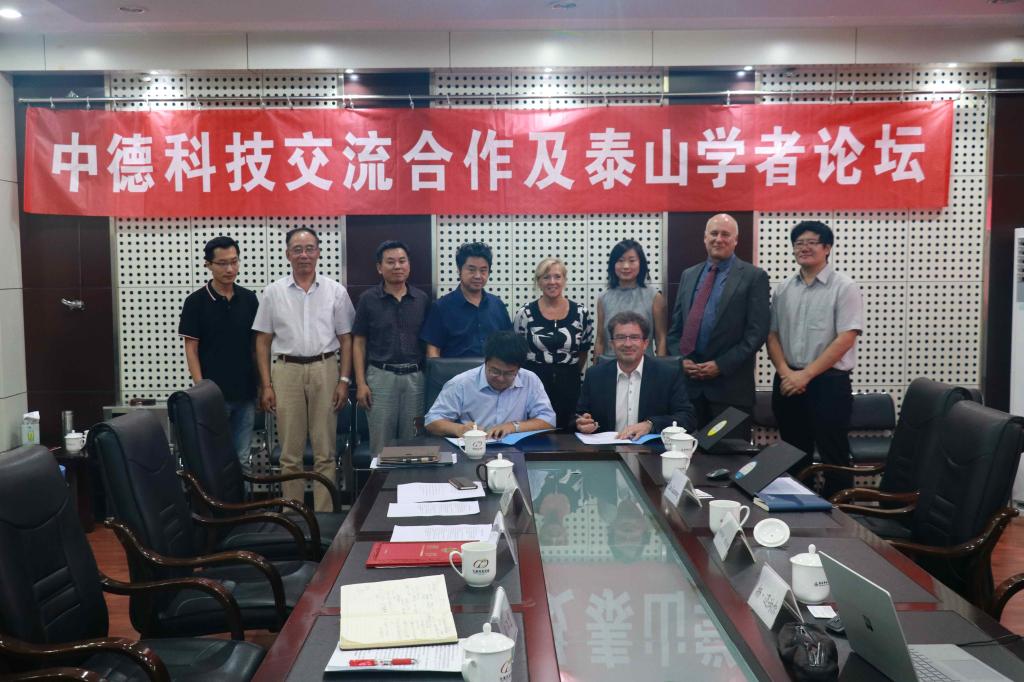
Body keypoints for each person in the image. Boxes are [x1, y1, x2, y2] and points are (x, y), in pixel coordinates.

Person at [253, 227, 355, 512]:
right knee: (290, 453)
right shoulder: (273, 292)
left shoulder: (335, 291)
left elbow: (347, 339)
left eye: (310, 248)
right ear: (288, 254)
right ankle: (293, 514)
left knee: (325, 451)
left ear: (318, 252)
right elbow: (262, 341)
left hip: (326, 369)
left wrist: (344, 380)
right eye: (297, 250)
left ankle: (324, 515)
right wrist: (266, 385)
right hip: (286, 372)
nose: (304, 255)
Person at [767, 220, 864, 498]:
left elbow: (846, 338)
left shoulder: (844, 287)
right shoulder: (783, 288)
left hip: (828, 383)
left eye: (811, 242)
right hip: (787, 381)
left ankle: (841, 514)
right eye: (799, 243)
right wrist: (786, 372)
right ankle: (797, 512)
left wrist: (805, 375)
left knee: (834, 455)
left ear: (827, 248)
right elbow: (772, 335)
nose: (804, 248)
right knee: (793, 454)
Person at [666, 214, 770, 432]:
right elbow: (676, 329)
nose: (719, 239)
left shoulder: (754, 277)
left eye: (725, 234)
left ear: (735, 240)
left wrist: (721, 365)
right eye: (714, 233)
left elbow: (757, 333)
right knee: (689, 452)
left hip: (730, 389)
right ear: (705, 238)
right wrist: (680, 360)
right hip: (689, 390)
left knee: (729, 452)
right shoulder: (688, 275)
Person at [178, 236, 260, 466]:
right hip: (213, 396)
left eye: (234, 261)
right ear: (208, 264)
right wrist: (201, 389)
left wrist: (262, 385)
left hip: (245, 393)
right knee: (214, 460)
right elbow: (191, 349)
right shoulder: (195, 302)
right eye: (223, 263)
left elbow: (256, 347)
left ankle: (242, 493)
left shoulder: (249, 299)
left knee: (242, 459)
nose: (230, 269)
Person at [352, 240, 430, 455]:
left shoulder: (422, 299)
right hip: (380, 378)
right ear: (379, 267)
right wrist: (361, 383)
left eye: (402, 261)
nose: (397, 266)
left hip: (415, 379)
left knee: (414, 444)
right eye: (390, 262)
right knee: (381, 445)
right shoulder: (368, 299)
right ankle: (381, 479)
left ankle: (410, 479)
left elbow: (429, 344)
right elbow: (358, 342)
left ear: (409, 265)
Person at [576, 311, 697, 439]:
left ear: (645, 344)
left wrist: (650, 425)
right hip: (606, 448)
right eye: (621, 337)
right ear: (612, 344)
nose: (627, 344)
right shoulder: (595, 375)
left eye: (634, 337)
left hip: (651, 450)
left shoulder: (668, 375)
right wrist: (582, 423)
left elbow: (688, 418)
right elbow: (578, 416)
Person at [424, 331, 556, 439]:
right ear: (486, 362)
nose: (501, 379)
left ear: (518, 368)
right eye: (495, 371)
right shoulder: (461, 383)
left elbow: (548, 420)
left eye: (509, 373)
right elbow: (431, 421)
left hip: (517, 451)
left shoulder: (530, 380)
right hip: (472, 450)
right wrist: (459, 429)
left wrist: (513, 427)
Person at [512, 257, 594, 429]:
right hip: (534, 383)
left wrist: (566, 371)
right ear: (538, 282)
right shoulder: (525, 314)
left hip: (569, 383)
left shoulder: (581, 313)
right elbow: (517, 352)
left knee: (569, 431)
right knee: (535, 430)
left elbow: (584, 350)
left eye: (557, 276)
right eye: (546, 277)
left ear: (564, 279)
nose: (552, 282)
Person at [421, 241, 511, 358]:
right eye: (471, 269)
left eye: (483, 270)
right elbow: (433, 351)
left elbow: (508, 345)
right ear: (459, 270)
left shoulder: (498, 306)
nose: (478, 276)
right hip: (455, 370)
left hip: (493, 369)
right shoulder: (441, 307)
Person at [593, 239, 667, 361]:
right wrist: (596, 366)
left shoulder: (654, 297)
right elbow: (600, 339)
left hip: (644, 366)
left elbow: (661, 338)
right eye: (620, 261)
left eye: (632, 261)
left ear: (641, 263)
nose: (626, 266)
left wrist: (661, 368)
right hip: (611, 366)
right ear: (613, 264)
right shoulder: (604, 298)